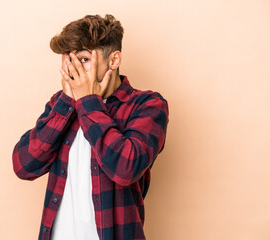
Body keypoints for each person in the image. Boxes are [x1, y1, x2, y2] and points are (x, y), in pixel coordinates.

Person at [12, 13, 169, 240]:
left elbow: (126, 168)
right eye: (69, 60)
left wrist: (88, 102)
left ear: (114, 61)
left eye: (83, 59)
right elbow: (23, 166)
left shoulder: (148, 105)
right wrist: (67, 103)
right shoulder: (61, 103)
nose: (73, 70)